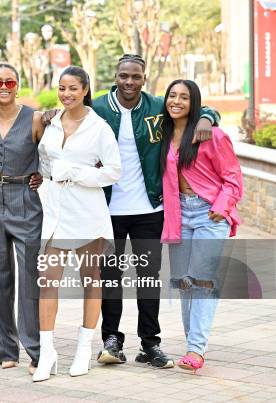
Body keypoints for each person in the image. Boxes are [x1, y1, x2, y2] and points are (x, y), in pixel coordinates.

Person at [91, 54, 221, 368]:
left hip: (149, 208)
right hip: (108, 209)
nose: (129, 82)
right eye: (124, 76)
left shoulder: (156, 106)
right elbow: (67, 117)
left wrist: (207, 118)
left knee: (148, 278)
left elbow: (198, 107)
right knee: (111, 276)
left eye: (136, 77)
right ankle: (112, 340)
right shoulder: (97, 108)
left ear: (144, 78)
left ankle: (150, 343)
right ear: (116, 75)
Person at [32, 66, 121, 382]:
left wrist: (76, 172)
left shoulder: (99, 128)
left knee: (90, 277)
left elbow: (113, 171)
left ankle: (84, 348)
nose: (66, 94)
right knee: (48, 279)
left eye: (72, 88)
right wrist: (43, 178)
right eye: (62, 88)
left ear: (85, 89)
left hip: (87, 212)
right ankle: (48, 353)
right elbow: (45, 161)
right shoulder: (52, 123)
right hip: (55, 212)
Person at [159, 79, 243, 372]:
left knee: (202, 282)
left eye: (184, 97)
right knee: (185, 283)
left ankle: (196, 348)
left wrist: (222, 207)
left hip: (209, 214)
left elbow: (233, 178)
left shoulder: (212, 135)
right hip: (178, 215)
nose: (177, 101)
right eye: (172, 95)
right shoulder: (163, 132)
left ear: (194, 103)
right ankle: (191, 345)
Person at [0, 63, 44, 373]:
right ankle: (5, 349)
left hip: (25, 198)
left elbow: (53, 153)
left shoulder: (34, 118)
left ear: (17, 85)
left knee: (30, 276)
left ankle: (35, 350)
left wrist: (42, 175)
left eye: (9, 81)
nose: (3, 86)